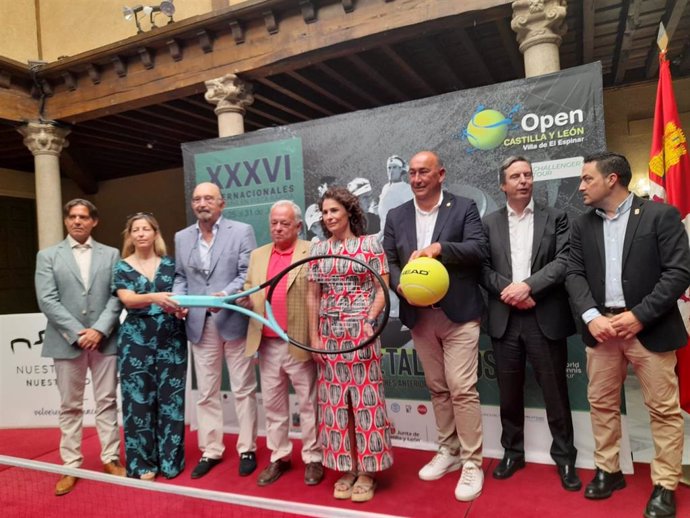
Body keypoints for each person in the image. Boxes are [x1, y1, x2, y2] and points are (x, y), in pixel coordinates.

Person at [566, 152, 690, 518]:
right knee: (602, 404)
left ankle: (665, 483)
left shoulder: (659, 215)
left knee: (663, 411)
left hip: (649, 329)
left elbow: (678, 272)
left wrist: (639, 316)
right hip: (601, 331)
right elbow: (573, 273)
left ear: (613, 178)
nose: (581, 186)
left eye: (588, 179)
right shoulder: (581, 225)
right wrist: (591, 316)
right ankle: (609, 470)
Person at [383, 150, 487, 502]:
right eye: (411, 173)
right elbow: (390, 259)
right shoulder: (396, 215)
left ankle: (473, 461)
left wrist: (441, 248)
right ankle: (449, 450)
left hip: (459, 313)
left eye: (423, 172)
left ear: (440, 174)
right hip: (419, 316)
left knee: (461, 388)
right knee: (438, 387)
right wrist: (400, 285)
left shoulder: (464, 207)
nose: (416, 179)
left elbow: (478, 249)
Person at [480, 156, 580, 491]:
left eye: (528, 175)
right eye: (515, 176)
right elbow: (480, 268)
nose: (524, 180)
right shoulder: (488, 222)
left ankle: (565, 458)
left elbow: (564, 261)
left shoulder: (557, 217)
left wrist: (528, 286)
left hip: (544, 315)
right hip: (505, 319)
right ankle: (513, 451)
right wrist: (509, 291)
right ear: (502, 184)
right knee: (508, 393)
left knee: (555, 392)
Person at [307, 186, 393, 503]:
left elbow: (382, 287)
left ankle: (367, 471)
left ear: (349, 213)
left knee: (364, 402)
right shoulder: (317, 249)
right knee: (335, 404)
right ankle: (346, 467)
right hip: (329, 335)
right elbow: (312, 295)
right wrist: (315, 338)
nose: (329, 217)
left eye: (334, 211)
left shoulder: (370, 244)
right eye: (325, 212)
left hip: (362, 332)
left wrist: (369, 319)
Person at [34, 198, 125, 496]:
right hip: (65, 342)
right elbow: (47, 300)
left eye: (83, 217)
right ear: (65, 221)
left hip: (105, 340)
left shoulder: (111, 254)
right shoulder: (48, 256)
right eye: (72, 217)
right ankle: (70, 465)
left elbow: (117, 296)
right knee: (70, 407)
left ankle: (110, 458)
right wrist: (77, 332)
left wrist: (99, 330)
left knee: (107, 402)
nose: (77, 221)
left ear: (93, 221)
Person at [173, 182, 259, 478]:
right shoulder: (182, 237)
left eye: (208, 198)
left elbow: (246, 274)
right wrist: (179, 300)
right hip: (199, 324)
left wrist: (226, 296)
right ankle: (211, 450)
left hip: (233, 319)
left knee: (243, 389)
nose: (202, 203)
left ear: (221, 203)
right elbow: (180, 277)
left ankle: (247, 448)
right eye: (197, 199)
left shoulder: (242, 231)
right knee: (206, 392)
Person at [241, 200, 323, 487]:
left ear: (298, 226)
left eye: (284, 223)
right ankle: (280, 456)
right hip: (266, 343)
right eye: (274, 222)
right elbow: (249, 291)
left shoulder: (311, 250)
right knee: (274, 406)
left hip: (299, 342)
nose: (277, 227)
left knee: (310, 404)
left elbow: (319, 294)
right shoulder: (258, 255)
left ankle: (313, 457)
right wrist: (242, 298)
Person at [113, 212, 187, 480]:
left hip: (171, 337)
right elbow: (128, 300)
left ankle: (170, 461)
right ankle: (143, 464)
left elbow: (181, 298)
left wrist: (181, 310)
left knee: (172, 401)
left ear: (156, 234)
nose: (141, 233)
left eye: (146, 229)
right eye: (136, 229)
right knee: (138, 402)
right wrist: (154, 296)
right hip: (136, 340)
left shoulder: (171, 265)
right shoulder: (122, 267)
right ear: (130, 235)